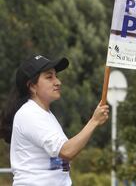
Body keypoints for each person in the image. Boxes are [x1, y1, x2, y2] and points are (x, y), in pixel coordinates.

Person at [0, 55, 110, 185]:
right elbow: (66, 151)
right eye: (49, 77)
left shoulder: (44, 114)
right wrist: (93, 121)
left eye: (56, 76)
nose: (58, 82)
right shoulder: (29, 114)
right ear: (32, 86)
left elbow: (59, 158)